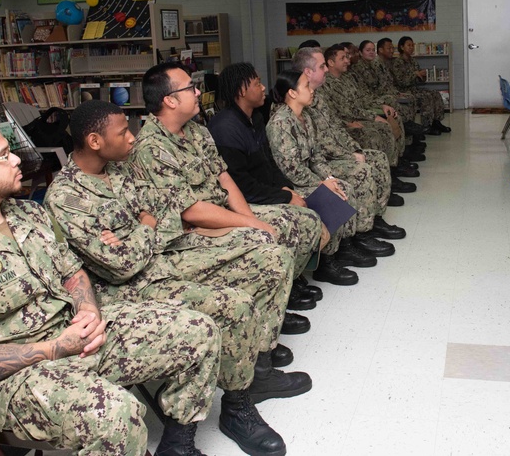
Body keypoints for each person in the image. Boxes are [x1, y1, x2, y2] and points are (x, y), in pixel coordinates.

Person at [0, 116, 221, 456]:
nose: (16, 160)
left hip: (74, 334)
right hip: (13, 379)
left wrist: (88, 308)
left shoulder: (29, 215)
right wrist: (55, 348)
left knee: (198, 330)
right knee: (114, 414)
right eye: (2, 156)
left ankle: (178, 447)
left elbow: (73, 272)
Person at [45, 100, 310, 454]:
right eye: (123, 131)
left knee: (269, 257)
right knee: (235, 305)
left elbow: (170, 213)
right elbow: (119, 265)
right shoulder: (66, 197)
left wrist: (139, 229)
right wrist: (144, 225)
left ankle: (248, 383)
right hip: (128, 291)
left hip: (168, 258)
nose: (132, 138)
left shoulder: (120, 169)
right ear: (94, 140)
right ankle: (208, 424)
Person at [130, 63, 323, 335]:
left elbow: (224, 178)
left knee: (303, 220)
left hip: (220, 212)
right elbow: (192, 211)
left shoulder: (195, 129)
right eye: (190, 88)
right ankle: (262, 330)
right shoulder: (152, 147)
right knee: (266, 240)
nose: (198, 92)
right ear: (170, 100)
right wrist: (252, 226)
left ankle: (278, 300)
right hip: (190, 232)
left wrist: (250, 219)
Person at [208, 62, 332, 298]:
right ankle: (287, 284)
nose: (264, 88)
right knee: (303, 215)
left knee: (324, 199)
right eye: (257, 83)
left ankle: (314, 266)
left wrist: (285, 188)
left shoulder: (254, 118)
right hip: (242, 200)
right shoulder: (225, 128)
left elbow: (268, 164)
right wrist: (285, 196)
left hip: (265, 190)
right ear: (242, 90)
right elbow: (241, 185)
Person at [267, 70, 401, 283]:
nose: (312, 90)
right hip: (292, 183)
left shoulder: (306, 117)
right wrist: (321, 184)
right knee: (334, 194)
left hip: (310, 175)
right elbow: (290, 169)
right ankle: (326, 261)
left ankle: (345, 246)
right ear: (292, 93)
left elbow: (317, 156)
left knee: (340, 186)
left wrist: (328, 178)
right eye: (306, 87)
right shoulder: (280, 122)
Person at [292, 47, 414, 202]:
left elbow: (335, 127)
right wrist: (350, 155)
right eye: (322, 67)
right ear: (308, 72)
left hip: (335, 152)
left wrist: (354, 149)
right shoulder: (297, 105)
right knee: (365, 160)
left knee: (378, 157)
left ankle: (382, 199)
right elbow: (319, 146)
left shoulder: (316, 98)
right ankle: (369, 222)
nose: (326, 71)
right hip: (322, 163)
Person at [391, 35, 451, 134]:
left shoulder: (413, 61)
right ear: (402, 47)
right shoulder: (397, 62)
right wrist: (414, 74)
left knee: (435, 93)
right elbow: (400, 81)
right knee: (426, 97)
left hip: (414, 89)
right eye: (408, 45)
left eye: (412, 45)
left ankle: (436, 122)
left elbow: (420, 80)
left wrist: (422, 76)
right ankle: (426, 126)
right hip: (403, 91)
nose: (411, 47)